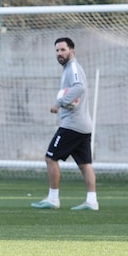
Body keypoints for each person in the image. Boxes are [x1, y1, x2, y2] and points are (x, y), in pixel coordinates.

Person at [32, 37, 98, 211]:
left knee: (50, 158)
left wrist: (59, 103)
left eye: (63, 50)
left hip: (72, 125)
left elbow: (79, 87)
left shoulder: (73, 68)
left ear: (72, 51)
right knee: (85, 164)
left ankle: (53, 199)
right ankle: (92, 201)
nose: (60, 53)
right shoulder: (68, 68)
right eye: (57, 50)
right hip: (83, 126)